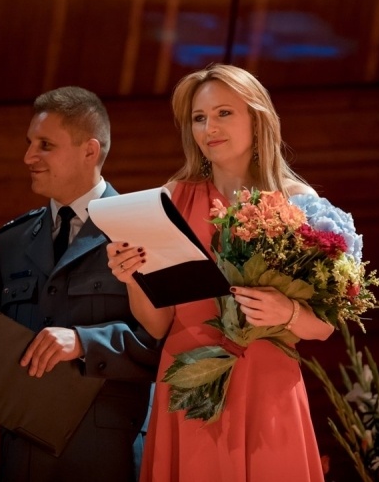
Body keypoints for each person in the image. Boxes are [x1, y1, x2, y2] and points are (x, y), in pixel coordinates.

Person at [106, 64, 334, 482]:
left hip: (267, 386)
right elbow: (157, 323)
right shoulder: (172, 196)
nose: (209, 127)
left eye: (223, 113)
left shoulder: (298, 200)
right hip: (188, 380)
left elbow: (323, 328)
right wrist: (132, 277)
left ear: (257, 117)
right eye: (199, 118)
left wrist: (285, 313)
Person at [0, 86, 160, 482]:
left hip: (107, 451)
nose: (28, 157)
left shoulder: (142, 229)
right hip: (24, 450)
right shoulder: (11, 241)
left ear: (89, 150)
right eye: (30, 143)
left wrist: (84, 343)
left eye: (45, 145)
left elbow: (165, 345)